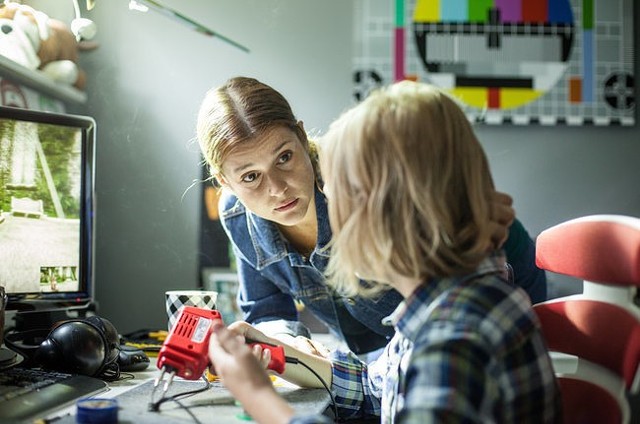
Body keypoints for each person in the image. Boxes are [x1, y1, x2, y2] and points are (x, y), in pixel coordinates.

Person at [207, 81, 561, 423]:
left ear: (398, 206)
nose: (331, 214)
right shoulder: (426, 317)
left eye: (340, 194)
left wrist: (258, 397)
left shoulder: (453, 341)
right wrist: (276, 352)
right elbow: (372, 387)